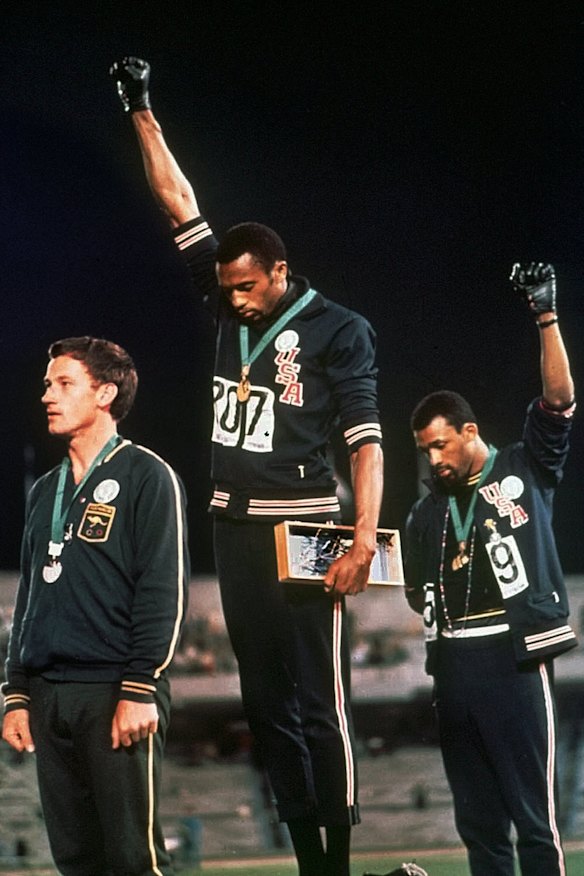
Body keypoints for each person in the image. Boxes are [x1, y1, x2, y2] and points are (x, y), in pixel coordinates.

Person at [109, 57, 384, 876]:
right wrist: (140, 108)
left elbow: (366, 443)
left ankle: (339, 861)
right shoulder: (226, 298)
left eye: (248, 287)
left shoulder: (340, 330)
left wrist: (362, 539)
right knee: (265, 705)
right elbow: (180, 203)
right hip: (234, 525)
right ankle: (307, 862)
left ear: (280, 272)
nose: (233, 300)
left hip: (308, 526)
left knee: (321, 703)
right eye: (226, 289)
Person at [404, 262, 577, 876]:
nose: (433, 459)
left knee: (534, 821)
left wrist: (545, 315)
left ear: (470, 431)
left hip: (513, 658)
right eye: (424, 449)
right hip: (451, 667)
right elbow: (413, 592)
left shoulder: (524, 468)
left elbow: (558, 402)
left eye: (441, 444)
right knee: (479, 828)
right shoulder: (425, 513)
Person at [2, 336, 189, 876]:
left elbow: (163, 591)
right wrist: (17, 693)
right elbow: (30, 596)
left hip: (114, 691)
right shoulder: (45, 491)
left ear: (105, 393)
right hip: (47, 695)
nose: (47, 396)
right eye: (47, 384)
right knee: (76, 861)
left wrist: (140, 686)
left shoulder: (147, 476)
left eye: (64, 384)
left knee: (134, 860)